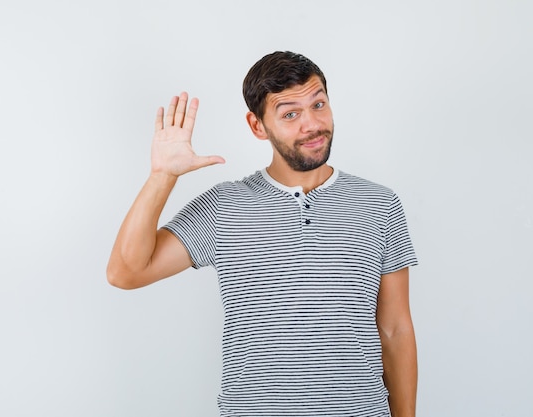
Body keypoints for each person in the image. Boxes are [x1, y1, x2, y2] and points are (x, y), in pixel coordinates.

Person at [107, 51, 418, 417]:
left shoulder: (379, 203)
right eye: (290, 114)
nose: (312, 124)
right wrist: (162, 176)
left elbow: (396, 328)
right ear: (257, 126)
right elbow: (126, 272)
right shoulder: (225, 205)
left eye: (318, 104)